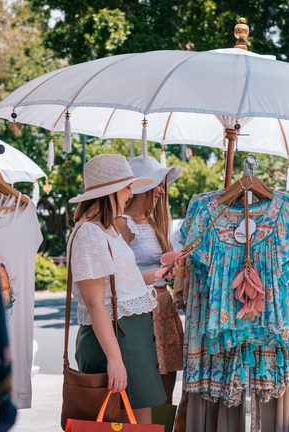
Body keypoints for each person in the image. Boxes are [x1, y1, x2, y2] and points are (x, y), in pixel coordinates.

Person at [68, 154, 167, 424]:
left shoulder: (105, 229)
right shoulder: (89, 232)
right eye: (127, 187)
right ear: (110, 191)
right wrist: (114, 358)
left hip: (129, 333)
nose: (130, 193)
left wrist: (164, 272)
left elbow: (125, 282)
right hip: (117, 336)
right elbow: (95, 302)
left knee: (137, 419)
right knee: (128, 421)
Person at [115, 156, 184, 404]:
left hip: (163, 305)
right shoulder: (122, 223)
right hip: (140, 309)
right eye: (158, 184)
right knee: (144, 387)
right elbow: (118, 277)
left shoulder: (155, 222)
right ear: (143, 186)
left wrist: (174, 267)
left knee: (168, 382)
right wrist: (161, 272)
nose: (161, 191)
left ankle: (163, 426)